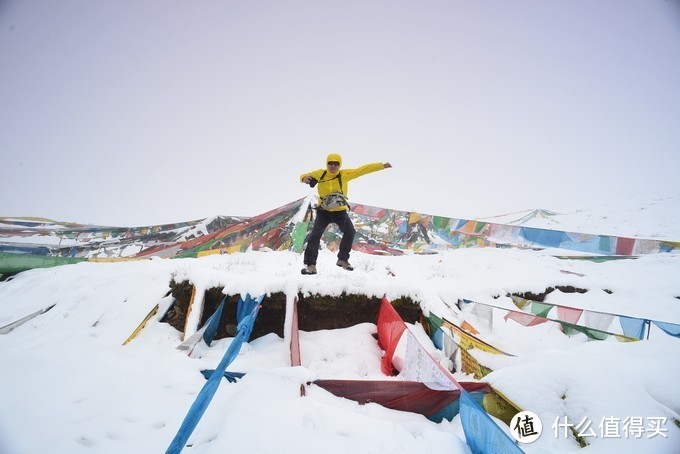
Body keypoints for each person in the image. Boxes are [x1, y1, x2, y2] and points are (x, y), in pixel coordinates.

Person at [300, 153, 392, 275]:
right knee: (315, 235)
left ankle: (343, 260)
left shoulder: (344, 174)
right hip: (324, 212)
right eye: (330, 163)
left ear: (340, 164)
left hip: (340, 212)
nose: (333, 166)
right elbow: (303, 176)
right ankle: (311, 265)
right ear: (327, 164)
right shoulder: (320, 173)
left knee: (350, 231)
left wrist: (381, 166)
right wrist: (304, 178)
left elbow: (362, 170)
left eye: (336, 163)